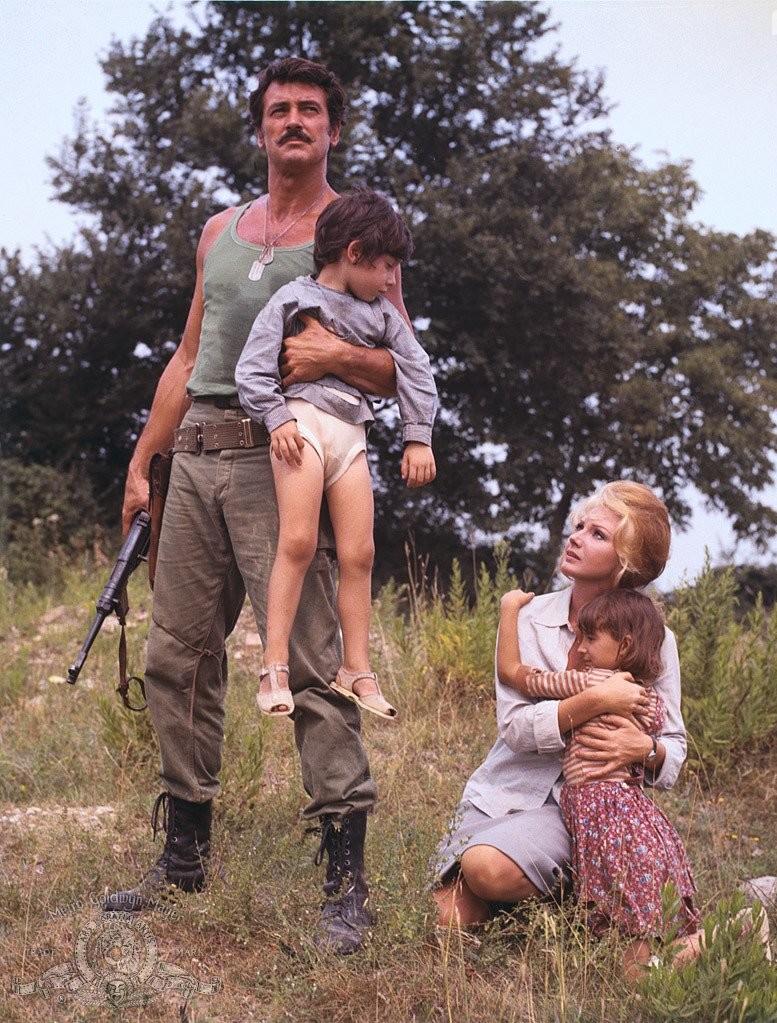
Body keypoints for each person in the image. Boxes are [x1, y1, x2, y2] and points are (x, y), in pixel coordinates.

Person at [103, 56, 405, 956]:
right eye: (279, 110)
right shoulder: (221, 230)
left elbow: (394, 363)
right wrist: (143, 456)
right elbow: (190, 348)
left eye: (311, 110)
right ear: (260, 128)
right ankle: (185, 856)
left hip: (288, 457)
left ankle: (345, 885)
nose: (294, 122)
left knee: (313, 664)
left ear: (334, 130)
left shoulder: (354, 232)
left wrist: (326, 362)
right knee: (176, 655)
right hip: (193, 451)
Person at [431, 481, 688, 945]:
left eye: (598, 535)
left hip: (592, 807)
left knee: (486, 868)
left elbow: (673, 745)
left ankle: (572, 884)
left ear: (627, 560)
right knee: (450, 917)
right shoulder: (527, 619)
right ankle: (554, 894)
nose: (575, 537)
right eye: (580, 526)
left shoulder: (656, 638)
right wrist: (593, 701)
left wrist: (645, 749)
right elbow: (512, 726)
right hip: (506, 792)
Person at [236, 189, 437, 721]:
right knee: (298, 541)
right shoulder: (293, 299)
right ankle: (274, 664)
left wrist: (418, 436)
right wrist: (276, 417)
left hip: (352, 433)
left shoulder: (382, 316)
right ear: (354, 252)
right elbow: (251, 369)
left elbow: (416, 369)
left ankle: (357, 666)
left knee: (360, 553)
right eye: (388, 266)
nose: (393, 280)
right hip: (301, 427)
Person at [496, 586, 701, 970]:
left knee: (632, 956)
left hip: (606, 814)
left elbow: (513, 673)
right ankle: (705, 946)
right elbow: (661, 731)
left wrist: (509, 610)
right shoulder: (643, 694)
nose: (581, 647)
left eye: (590, 637)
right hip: (630, 811)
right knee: (635, 935)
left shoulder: (591, 684)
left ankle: (729, 935)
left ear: (624, 645)